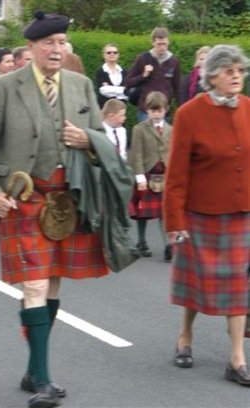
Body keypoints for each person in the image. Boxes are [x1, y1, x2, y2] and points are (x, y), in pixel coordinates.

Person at [0, 11, 136, 408]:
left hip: (69, 202)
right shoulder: (4, 88)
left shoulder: (80, 86)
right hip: (25, 199)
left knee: (52, 283)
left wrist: (88, 141)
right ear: (32, 47)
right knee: (35, 285)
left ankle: (32, 368)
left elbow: (103, 148)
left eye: (62, 42)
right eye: (49, 43)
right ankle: (43, 378)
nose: (57, 49)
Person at [163, 44, 250, 386]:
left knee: (238, 287)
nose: (236, 77)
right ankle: (185, 334)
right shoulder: (188, 113)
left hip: (241, 215)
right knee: (196, 283)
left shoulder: (249, 109)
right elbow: (176, 176)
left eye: (240, 71)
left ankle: (237, 358)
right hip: (200, 214)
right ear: (211, 75)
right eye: (229, 71)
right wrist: (174, 222)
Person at [129, 91, 172, 260]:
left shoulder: (171, 130)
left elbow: (174, 153)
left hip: (165, 175)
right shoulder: (139, 129)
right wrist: (139, 177)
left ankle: (168, 245)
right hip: (146, 175)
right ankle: (141, 241)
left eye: (159, 110)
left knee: (164, 212)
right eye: (153, 111)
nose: (156, 114)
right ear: (147, 111)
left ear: (165, 110)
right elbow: (136, 154)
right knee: (143, 213)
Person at [124, 27, 181, 122]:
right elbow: (128, 82)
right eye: (159, 44)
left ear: (168, 42)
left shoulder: (174, 62)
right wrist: (143, 75)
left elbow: (177, 88)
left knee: (164, 137)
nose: (162, 47)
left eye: (164, 44)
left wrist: (180, 108)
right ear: (153, 43)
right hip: (145, 110)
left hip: (164, 111)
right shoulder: (143, 59)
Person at [95, 43, 128, 108]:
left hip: (121, 107)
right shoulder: (100, 71)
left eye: (115, 52)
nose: (112, 54)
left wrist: (111, 89)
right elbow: (103, 90)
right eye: (109, 52)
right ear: (104, 55)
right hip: (104, 108)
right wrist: (122, 90)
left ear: (118, 55)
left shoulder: (124, 71)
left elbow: (127, 91)